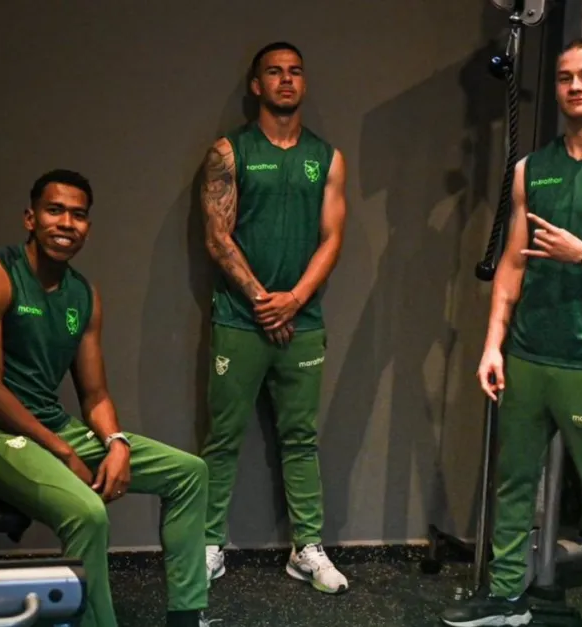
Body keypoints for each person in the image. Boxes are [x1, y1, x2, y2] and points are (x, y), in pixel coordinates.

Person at [440, 38, 582, 627]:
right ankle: (505, 598)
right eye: (566, 77)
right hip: (527, 354)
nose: (575, 87)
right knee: (513, 483)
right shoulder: (529, 169)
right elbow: (513, 264)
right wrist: (493, 343)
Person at [0, 170, 214, 627]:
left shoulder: (83, 294)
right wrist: (62, 449)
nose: (67, 223)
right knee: (88, 514)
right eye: (55, 211)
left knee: (190, 473)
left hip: (51, 427)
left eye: (79, 215)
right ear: (30, 218)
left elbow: (95, 394)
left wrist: (116, 443)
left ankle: (187, 619)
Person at [198, 41, 349, 594]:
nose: (286, 80)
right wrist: (266, 301)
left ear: (303, 83)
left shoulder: (328, 158)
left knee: (301, 438)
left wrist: (294, 300)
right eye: (274, 72)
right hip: (239, 320)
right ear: (256, 85)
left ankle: (305, 548)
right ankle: (209, 544)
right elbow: (217, 235)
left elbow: (333, 239)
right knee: (222, 437)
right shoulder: (227, 152)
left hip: (302, 323)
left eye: (295, 72)